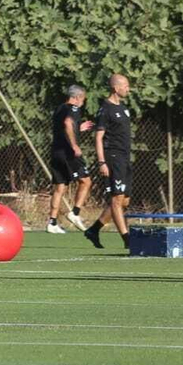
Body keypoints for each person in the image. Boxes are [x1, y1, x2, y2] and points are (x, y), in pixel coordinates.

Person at [85, 73, 133, 251]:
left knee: (124, 201)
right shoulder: (105, 109)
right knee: (116, 200)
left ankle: (94, 229)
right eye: (125, 86)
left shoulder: (124, 108)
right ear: (116, 88)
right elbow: (98, 138)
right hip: (113, 158)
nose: (128, 89)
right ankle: (127, 239)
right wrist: (101, 162)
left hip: (125, 158)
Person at [47, 84, 94, 234]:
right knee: (86, 181)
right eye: (83, 99)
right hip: (68, 153)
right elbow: (68, 123)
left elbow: (63, 127)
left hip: (56, 151)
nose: (83, 102)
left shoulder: (59, 108)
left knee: (60, 187)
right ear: (78, 97)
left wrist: (78, 128)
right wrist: (74, 145)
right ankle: (74, 213)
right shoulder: (74, 108)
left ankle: (52, 222)